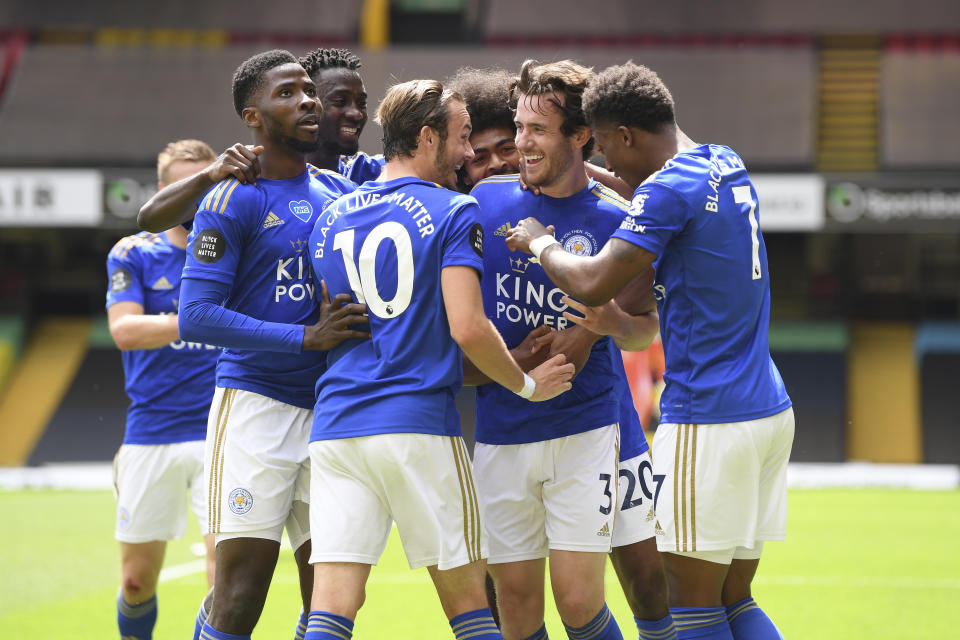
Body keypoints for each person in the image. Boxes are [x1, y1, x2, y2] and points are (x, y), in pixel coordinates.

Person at [506, 61, 794, 640]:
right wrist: (584, 169)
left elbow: (590, 282)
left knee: (691, 608)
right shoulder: (721, 160)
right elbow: (654, 195)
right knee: (734, 597)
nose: (608, 163)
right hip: (767, 410)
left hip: (709, 418)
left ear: (628, 135)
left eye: (608, 148)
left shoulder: (667, 190)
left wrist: (540, 242)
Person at [302, 79, 575, 640]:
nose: (470, 153)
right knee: (471, 608)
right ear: (427, 138)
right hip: (419, 428)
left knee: (330, 609)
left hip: (336, 429)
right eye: (462, 137)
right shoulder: (455, 210)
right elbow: (468, 327)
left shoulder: (329, 219)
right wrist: (525, 383)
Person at [467, 59, 674, 640]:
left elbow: (642, 329)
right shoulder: (485, 201)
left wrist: (598, 325)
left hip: (585, 425)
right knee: (513, 602)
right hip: (501, 425)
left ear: (580, 135)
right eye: (518, 128)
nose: (521, 146)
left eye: (535, 131)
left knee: (581, 599)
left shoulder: (616, 220)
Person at [176, 49, 369, 640]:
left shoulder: (342, 194)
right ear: (252, 118)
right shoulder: (233, 198)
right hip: (256, 411)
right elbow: (196, 316)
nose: (308, 100)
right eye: (287, 93)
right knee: (239, 596)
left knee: (331, 602)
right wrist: (304, 337)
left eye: (309, 90)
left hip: (332, 414)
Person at [106, 139, 221, 640]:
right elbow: (125, 331)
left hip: (224, 433)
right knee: (135, 583)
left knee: (225, 584)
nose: (193, 196)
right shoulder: (134, 252)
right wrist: (199, 320)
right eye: (183, 184)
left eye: (204, 183)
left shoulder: (230, 246)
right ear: (162, 190)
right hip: (151, 433)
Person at [137, 47, 380, 233]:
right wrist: (208, 174)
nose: (356, 113)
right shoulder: (246, 169)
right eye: (339, 102)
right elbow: (150, 219)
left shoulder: (365, 175)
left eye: (361, 104)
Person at [447, 66, 633, 199]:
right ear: (465, 176)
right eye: (480, 159)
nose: (497, 164)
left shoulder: (610, 205)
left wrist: (557, 169)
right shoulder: (463, 219)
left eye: (506, 149)